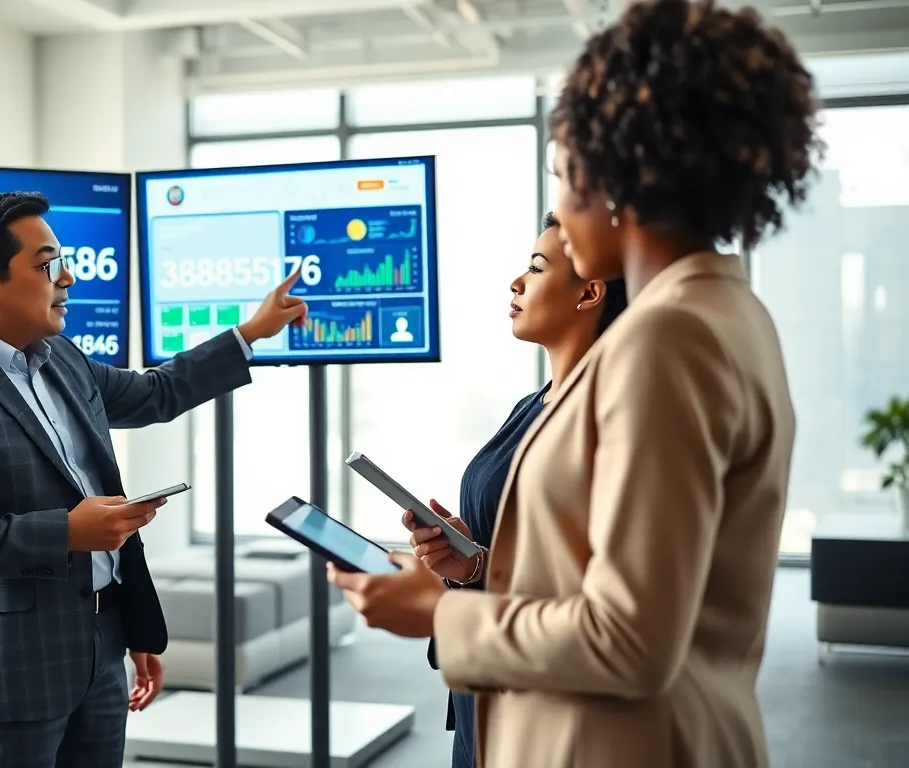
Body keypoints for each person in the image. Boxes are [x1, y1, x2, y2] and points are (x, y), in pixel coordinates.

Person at [327, 0, 816, 765]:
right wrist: (480, 569)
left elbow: (631, 639)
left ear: (617, 180)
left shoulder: (667, 339)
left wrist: (441, 616)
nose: (557, 203)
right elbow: (646, 575)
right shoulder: (725, 312)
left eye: (562, 176)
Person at [0, 192, 308, 768]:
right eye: (47, 265)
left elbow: (156, 392)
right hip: (13, 665)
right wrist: (65, 532)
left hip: (101, 645)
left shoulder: (62, 356)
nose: (68, 277)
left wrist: (252, 332)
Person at [410, 211, 627, 768]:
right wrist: (462, 552)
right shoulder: (532, 404)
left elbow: (593, 589)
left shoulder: (604, 418)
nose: (516, 282)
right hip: (485, 685)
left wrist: (479, 570)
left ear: (589, 294)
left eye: (535, 266)